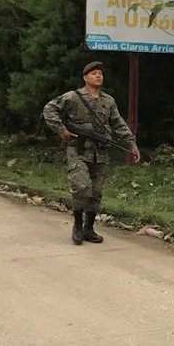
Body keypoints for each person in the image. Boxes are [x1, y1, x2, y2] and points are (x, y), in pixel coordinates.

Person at [42, 61, 139, 245]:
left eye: (100, 73)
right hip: (78, 150)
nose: (98, 76)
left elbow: (118, 124)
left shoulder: (108, 101)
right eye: (94, 73)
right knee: (81, 187)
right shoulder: (73, 97)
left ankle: (89, 228)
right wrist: (61, 130)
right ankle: (77, 225)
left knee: (96, 192)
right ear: (85, 77)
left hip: (100, 153)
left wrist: (131, 144)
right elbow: (49, 109)